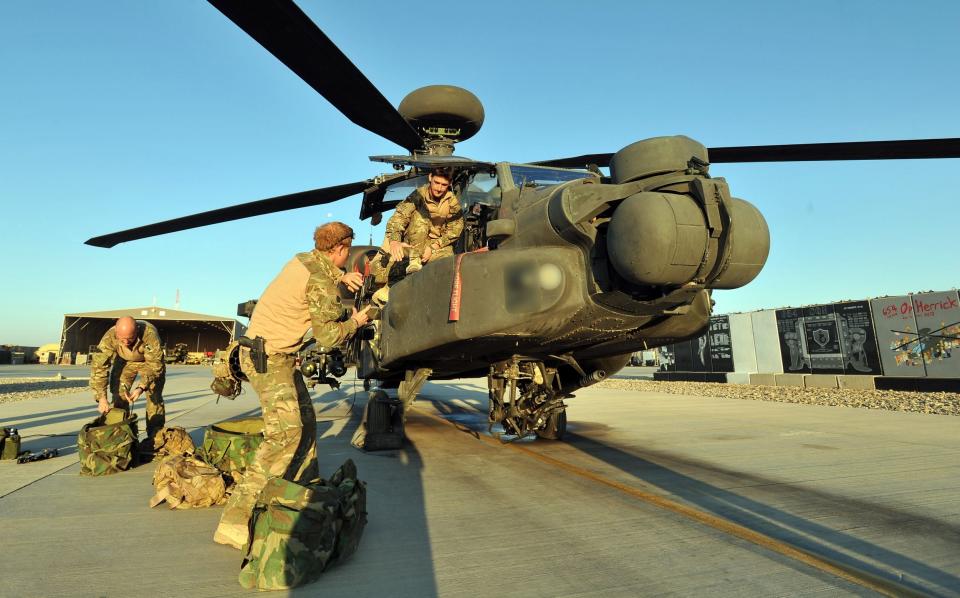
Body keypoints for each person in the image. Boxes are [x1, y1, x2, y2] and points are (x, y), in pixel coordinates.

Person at [214, 221, 369, 550]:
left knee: (307, 422)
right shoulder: (320, 281)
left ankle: (301, 487)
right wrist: (356, 321)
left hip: (268, 354)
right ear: (340, 249)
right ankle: (235, 519)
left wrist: (342, 277)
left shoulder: (303, 259)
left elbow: (319, 275)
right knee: (285, 434)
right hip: (268, 360)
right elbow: (328, 336)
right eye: (347, 252)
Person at [89, 316, 166, 443]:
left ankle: (155, 437)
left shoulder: (149, 334)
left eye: (130, 338)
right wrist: (101, 397)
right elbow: (99, 367)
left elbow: (155, 365)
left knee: (154, 398)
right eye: (122, 339)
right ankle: (121, 436)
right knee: (119, 395)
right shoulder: (110, 337)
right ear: (116, 333)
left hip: (149, 363)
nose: (126, 342)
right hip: (124, 362)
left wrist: (141, 387)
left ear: (136, 332)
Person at [385, 168, 463, 272]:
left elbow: (455, 230)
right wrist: (394, 240)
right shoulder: (418, 195)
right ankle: (414, 260)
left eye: (444, 185)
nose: (439, 188)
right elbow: (400, 216)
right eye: (436, 182)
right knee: (421, 217)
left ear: (450, 183)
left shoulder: (452, 202)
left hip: (435, 245)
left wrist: (433, 247)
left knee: (449, 260)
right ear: (430, 177)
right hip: (413, 242)